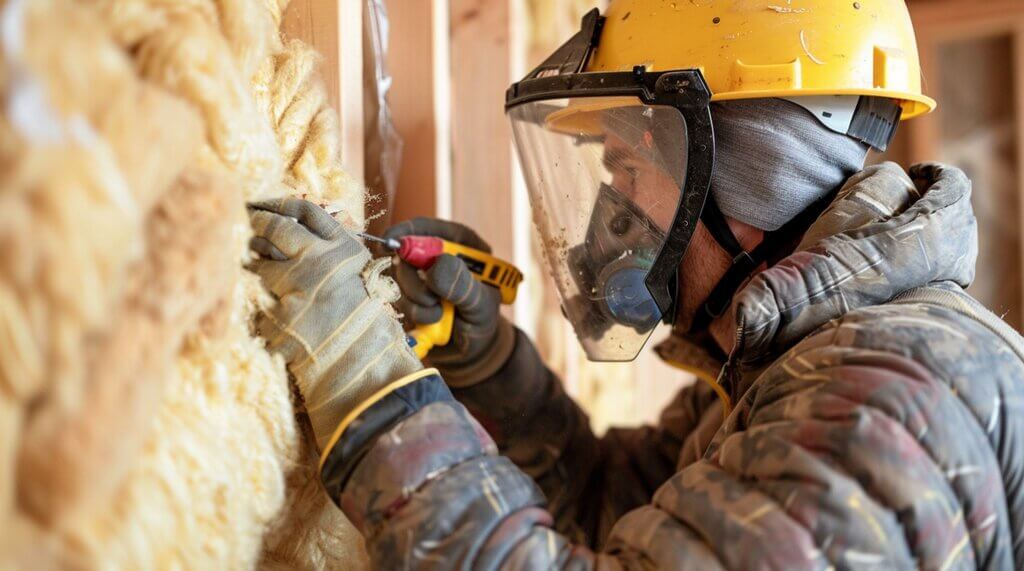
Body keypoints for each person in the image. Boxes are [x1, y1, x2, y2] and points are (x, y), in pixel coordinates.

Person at [247, 1, 1024, 567]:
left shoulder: (880, 403)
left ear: (742, 176)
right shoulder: (785, 363)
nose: (607, 211)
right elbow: (611, 512)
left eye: (626, 166)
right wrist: (491, 373)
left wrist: (368, 379)